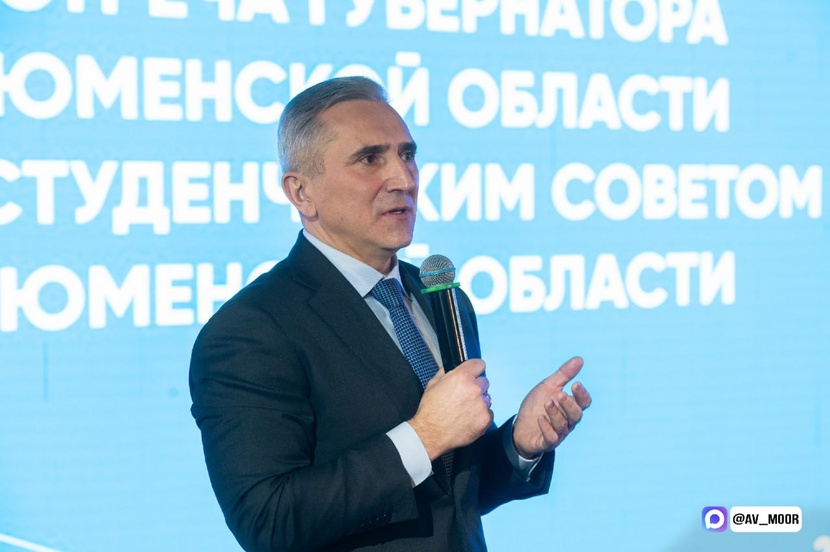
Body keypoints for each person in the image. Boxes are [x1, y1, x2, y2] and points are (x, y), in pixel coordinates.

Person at [189, 76, 592, 552]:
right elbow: (270, 522)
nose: (404, 179)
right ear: (301, 192)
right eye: (369, 159)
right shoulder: (251, 330)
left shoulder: (441, 296)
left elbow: (450, 496)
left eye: (407, 154)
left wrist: (519, 445)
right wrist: (423, 437)